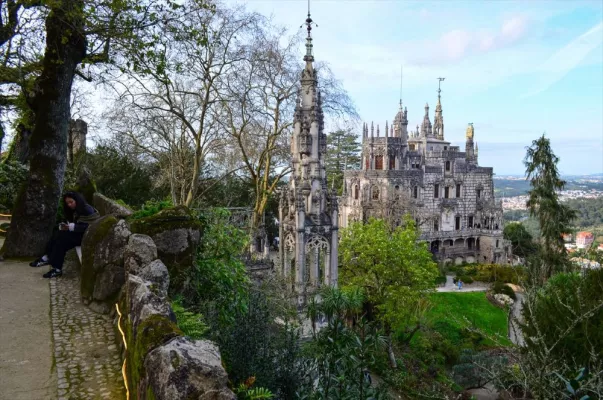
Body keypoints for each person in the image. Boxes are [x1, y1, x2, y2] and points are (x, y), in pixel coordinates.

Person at [29, 192, 100, 278]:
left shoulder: (86, 209)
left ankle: (57, 268)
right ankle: (47, 257)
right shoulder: (76, 209)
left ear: (77, 200)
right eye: (67, 203)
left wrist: (72, 227)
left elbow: (91, 226)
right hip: (79, 233)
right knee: (57, 233)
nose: (69, 205)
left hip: (87, 236)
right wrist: (67, 226)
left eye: (71, 202)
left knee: (62, 241)